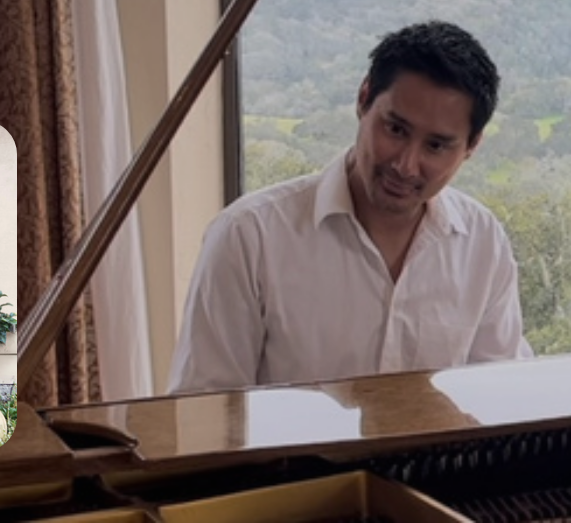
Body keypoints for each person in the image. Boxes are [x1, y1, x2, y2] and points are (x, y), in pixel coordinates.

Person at [168, 21, 531, 394]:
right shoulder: (248, 236)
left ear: (471, 146)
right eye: (396, 130)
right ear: (363, 98)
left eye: (436, 146)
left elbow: (499, 393)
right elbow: (204, 409)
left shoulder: (483, 242)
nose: (406, 165)